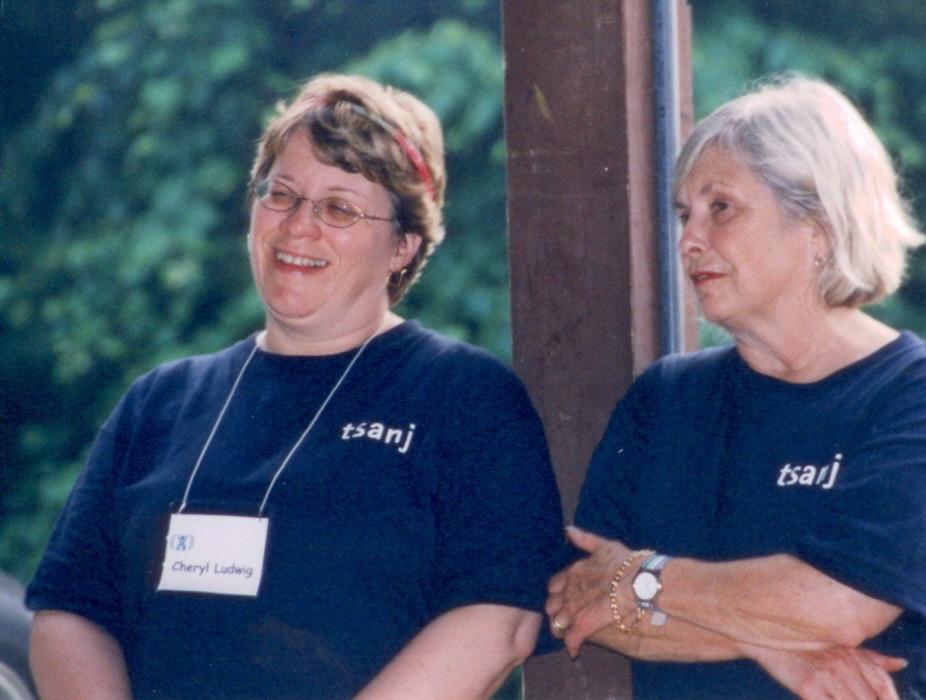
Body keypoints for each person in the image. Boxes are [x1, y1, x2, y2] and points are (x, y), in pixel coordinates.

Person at [26, 73, 564, 699]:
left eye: (339, 208)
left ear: (403, 246)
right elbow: (69, 611)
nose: (299, 226)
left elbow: (498, 620)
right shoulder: (159, 402)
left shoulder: (466, 396)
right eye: (280, 194)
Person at [545, 75, 926, 700]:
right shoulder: (665, 398)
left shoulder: (923, 396)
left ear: (819, 225)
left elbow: (840, 608)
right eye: (684, 214)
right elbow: (579, 599)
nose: (688, 239)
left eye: (721, 208)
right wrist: (778, 647)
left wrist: (641, 579)